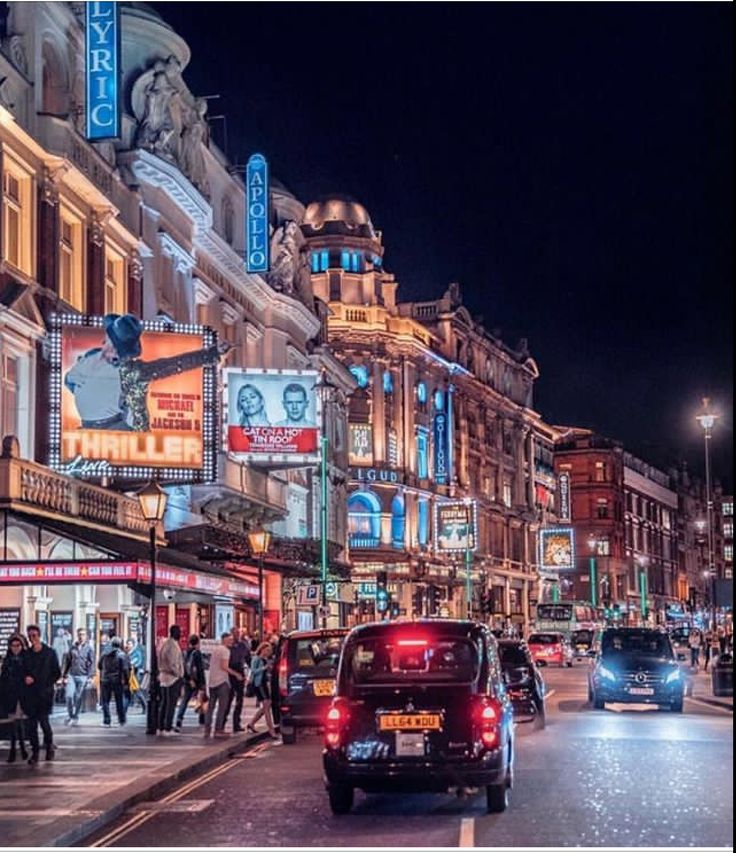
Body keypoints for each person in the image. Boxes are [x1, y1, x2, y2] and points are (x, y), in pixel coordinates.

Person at [23, 624, 61, 764]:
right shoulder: (27, 654)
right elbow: (23, 671)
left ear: (39, 635)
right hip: (31, 694)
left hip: (44, 693)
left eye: (34, 635)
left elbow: (56, 672)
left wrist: (45, 682)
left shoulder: (50, 653)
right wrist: (26, 678)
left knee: (44, 722)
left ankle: (49, 746)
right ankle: (35, 752)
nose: (32, 638)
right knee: (31, 725)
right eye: (30, 636)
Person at [204, 633, 243, 738]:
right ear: (224, 639)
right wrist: (237, 674)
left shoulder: (215, 650)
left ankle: (207, 729)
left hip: (212, 681)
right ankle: (218, 730)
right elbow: (224, 666)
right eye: (229, 639)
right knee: (222, 707)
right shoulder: (225, 651)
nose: (231, 641)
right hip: (222, 682)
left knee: (211, 707)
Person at [0, 634, 29, 763]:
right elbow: (4, 678)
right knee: (13, 722)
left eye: (18, 646)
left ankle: (19, 748)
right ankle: (18, 748)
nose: (15, 648)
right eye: (13, 646)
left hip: (22, 695)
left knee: (18, 721)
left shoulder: (26, 659)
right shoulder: (8, 661)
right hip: (10, 695)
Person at [63, 628, 94, 725]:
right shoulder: (73, 648)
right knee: (69, 696)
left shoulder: (89, 649)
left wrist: (90, 676)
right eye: (80, 634)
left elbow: (91, 663)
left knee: (78, 697)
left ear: (86, 636)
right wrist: (64, 675)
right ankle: (70, 715)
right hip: (72, 674)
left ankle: (75, 716)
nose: (81, 636)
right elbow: (67, 661)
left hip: (83, 675)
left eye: (83, 634)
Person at [245, 642, 277, 738]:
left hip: (264, 684)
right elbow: (253, 671)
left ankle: (251, 723)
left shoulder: (264, 659)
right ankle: (271, 730)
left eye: (269, 651)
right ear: (262, 649)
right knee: (266, 707)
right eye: (267, 650)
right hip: (258, 685)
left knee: (266, 706)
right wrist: (264, 668)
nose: (268, 652)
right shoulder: (256, 659)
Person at [175, 635, 206, 731]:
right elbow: (200, 669)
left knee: (185, 700)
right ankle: (202, 718)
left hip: (188, 679)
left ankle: (179, 718)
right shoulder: (197, 653)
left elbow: (183, 667)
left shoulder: (185, 652)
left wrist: (188, 679)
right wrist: (202, 682)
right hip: (197, 679)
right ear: (197, 643)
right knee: (202, 698)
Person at [158, 625, 184, 736]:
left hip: (164, 677)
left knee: (164, 703)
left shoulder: (165, 644)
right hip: (172, 678)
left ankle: (161, 727)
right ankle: (167, 728)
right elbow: (173, 664)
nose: (181, 634)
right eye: (179, 632)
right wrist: (179, 674)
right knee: (170, 704)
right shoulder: (172, 646)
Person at [98, 637, 130, 727]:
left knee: (105, 701)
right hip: (117, 680)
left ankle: (106, 721)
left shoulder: (104, 653)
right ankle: (121, 720)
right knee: (119, 700)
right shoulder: (122, 655)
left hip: (105, 680)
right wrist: (127, 682)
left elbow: (99, 666)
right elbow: (125, 669)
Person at [227, 627, 251, 733]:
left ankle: (236, 723)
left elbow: (248, 658)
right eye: (234, 633)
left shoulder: (243, 646)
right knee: (228, 699)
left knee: (239, 699)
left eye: (238, 633)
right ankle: (222, 722)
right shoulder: (228, 647)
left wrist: (250, 672)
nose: (236, 635)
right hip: (229, 672)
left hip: (239, 671)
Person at [124, 638, 146, 713]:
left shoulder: (136, 652)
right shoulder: (128, 653)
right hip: (130, 673)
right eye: (128, 644)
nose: (128, 645)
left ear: (133, 645)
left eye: (130, 644)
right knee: (131, 691)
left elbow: (139, 662)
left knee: (136, 690)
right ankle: (124, 709)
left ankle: (144, 706)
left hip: (136, 673)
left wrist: (132, 664)